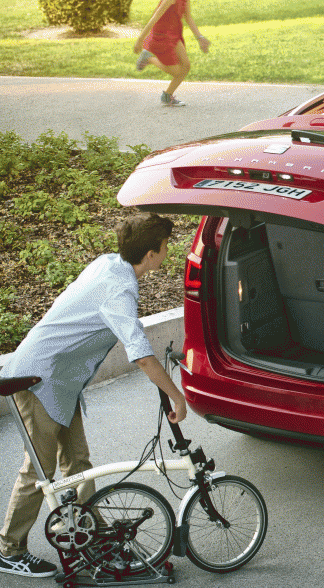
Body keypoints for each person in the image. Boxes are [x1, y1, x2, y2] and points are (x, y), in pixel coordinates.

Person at [0, 213, 187, 578]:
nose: (166, 253)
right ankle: (8, 549)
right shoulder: (119, 290)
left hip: (61, 379)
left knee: (77, 462)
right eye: (165, 248)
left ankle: (86, 535)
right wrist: (175, 396)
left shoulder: (109, 264)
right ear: (151, 253)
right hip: (39, 378)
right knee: (40, 470)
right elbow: (142, 355)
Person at [133, 0, 210, 108]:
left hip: (174, 34)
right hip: (162, 36)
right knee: (176, 71)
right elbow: (154, 18)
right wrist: (140, 40)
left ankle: (167, 96)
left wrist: (200, 37)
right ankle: (148, 58)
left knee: (186, 66)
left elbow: (188, 18)